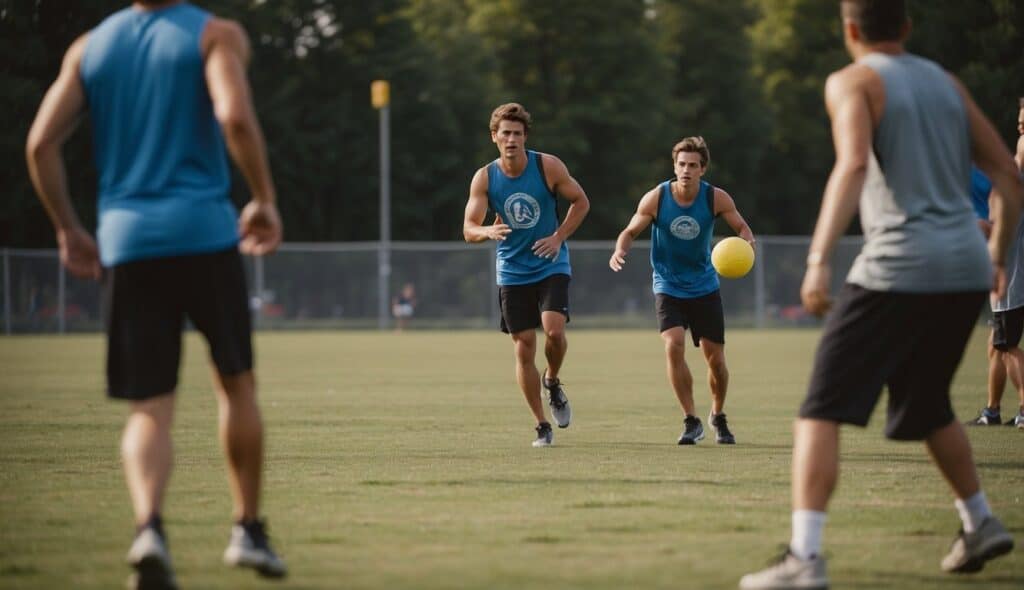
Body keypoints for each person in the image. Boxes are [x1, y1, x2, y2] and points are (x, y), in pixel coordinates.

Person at [739, 2, 1021, 588]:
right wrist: (996, 257)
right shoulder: (946, 83)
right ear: (908, 27)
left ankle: (804, 558)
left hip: (898, 265)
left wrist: (818, 261)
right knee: (926, 403)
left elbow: (853, 165)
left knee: (820, 408)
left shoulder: (852, 80)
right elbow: (1009, 178)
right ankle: (980, 521)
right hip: (965, 268)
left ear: (849, 30)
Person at [25, 2, 286, 587]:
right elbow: (235, 118)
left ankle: (148, 528)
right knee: (236, 384)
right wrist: (264, 196)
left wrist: (68, 229)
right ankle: (246, 527)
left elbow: (40, 144)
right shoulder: (215, 35)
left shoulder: (90, 48)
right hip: (206, 234)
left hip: (128, 243)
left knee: (150, 406)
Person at [608, 136, 754, 445]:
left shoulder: (716, 198)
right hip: (668, 284)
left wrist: (746, 244)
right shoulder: (657, 198)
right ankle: (691, 420)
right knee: (673, 344)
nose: (686, 170)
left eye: (693, 165)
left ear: (703, 169)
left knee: (716, 361)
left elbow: (742, 227)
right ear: (674, 166)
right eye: (681, 164)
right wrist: (620, 250)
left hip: (704, 285)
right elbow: (630, 230)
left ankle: (718, 414)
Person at [463, 102, 590, 447]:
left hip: (551, 262)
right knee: (524, 347)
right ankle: (541, 425)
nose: (511, 139)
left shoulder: (547, 166)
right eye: (505, 133)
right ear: (494, 137)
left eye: (517, 133)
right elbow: (469, 228)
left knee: (555, 333)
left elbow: (581, 202)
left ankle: (553, 381)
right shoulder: (485, 177)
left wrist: (559, 236)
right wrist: (486, 233)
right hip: (512, 271)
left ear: (525, 137)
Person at [968, 161, 1024, 429]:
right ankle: (992, 411)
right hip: (1009, 277)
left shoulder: (1003, 182)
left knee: (1007, 347)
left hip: (1009, 280)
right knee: (996, 344)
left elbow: (988, 228)